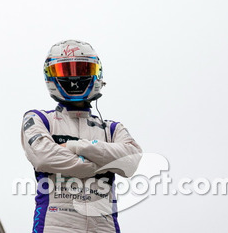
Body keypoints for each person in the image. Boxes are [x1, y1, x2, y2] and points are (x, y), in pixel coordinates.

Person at [21, 40, 142, 233]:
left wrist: (75, 147)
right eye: (66, 71)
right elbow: (43, 157)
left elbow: (132, 161)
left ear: (96, 73)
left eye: (83, 69)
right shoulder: (39, 119)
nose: (75, 77)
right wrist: (104, 161)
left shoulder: (111, 129)